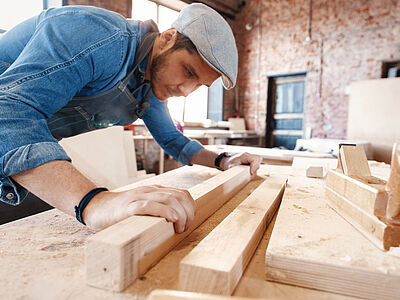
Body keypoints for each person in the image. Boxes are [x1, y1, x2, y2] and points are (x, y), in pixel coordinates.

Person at [0, 4, 261, 232]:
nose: (184, 90)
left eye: (198, 85)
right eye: (188, 72)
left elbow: (172, 140)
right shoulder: (98, 36)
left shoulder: (147, 83)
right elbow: (8, 110)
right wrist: (95, 202)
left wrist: (222, 160)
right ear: (168, 37)